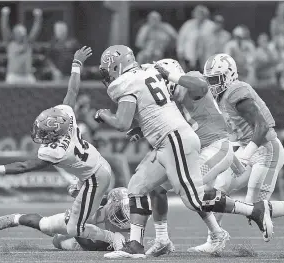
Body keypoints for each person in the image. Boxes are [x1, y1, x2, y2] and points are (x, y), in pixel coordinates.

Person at [95, 45, 274, 259]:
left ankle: (247, 215)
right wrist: (139, 129)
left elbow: (201, 87)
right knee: (148, 187)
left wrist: (172, 76)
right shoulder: (171, 98)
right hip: (191, 146)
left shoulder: (189, 81)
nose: (166, 88)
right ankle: (150, 241)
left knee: (193, 196)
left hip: (212, 146)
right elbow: (159, 114)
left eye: (167, 82)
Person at [0, 46, 124, 250]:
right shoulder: (67, 117)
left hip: (95, 178)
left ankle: (112, 238)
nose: (41, 135)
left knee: (74, 229)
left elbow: (25, 167)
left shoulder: (57, 151)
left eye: (44, 133)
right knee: (58, 231)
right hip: (92, 170)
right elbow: (72, 91)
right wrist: (76, 65)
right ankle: (18, 218)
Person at [167, 53, 284, 251]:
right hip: (243, 147)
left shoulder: (237, 90)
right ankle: (215, 239)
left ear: (229, 75)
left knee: (255, 206)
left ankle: (257, 212)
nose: (212, 84)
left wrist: (246, 156)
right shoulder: (218, 96)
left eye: (216, 79)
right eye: (209, 79)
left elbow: (262, 127)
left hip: (265, 148)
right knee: (217, 191)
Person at [0, 187, 130, 251]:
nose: (120, 217)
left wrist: (74, 230)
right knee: (45, 225)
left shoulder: (127, 234)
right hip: (82, 222)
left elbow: (92, 245)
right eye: (119, 211)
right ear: (113, 202)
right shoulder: (108, 199)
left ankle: (63, 231)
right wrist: (78, 193)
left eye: (124, 215)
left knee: (57, 240)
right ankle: (15, 218)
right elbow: (89, 196)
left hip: (89, 241)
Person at [0, 6, 42, 84]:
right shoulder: (10, 44)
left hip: (27, 76)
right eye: (19, 32)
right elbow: (4, 28)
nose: (21, 34)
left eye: (23, 32)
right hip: (13, 77)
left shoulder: (28, 43)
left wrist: (38, 17)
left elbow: (36, 29)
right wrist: (4, 15)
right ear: (14, 33)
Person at [177, 5, 215, 71]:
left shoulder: (211, 25)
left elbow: (214, 41)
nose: (200, 15)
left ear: (206, 14)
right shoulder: (188, 24)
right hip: (189, 56)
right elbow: (181, 39)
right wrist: (180, 51)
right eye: (197, 13)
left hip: (206, 56)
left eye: (202, 13)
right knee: (189, 73)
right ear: (194, 14)